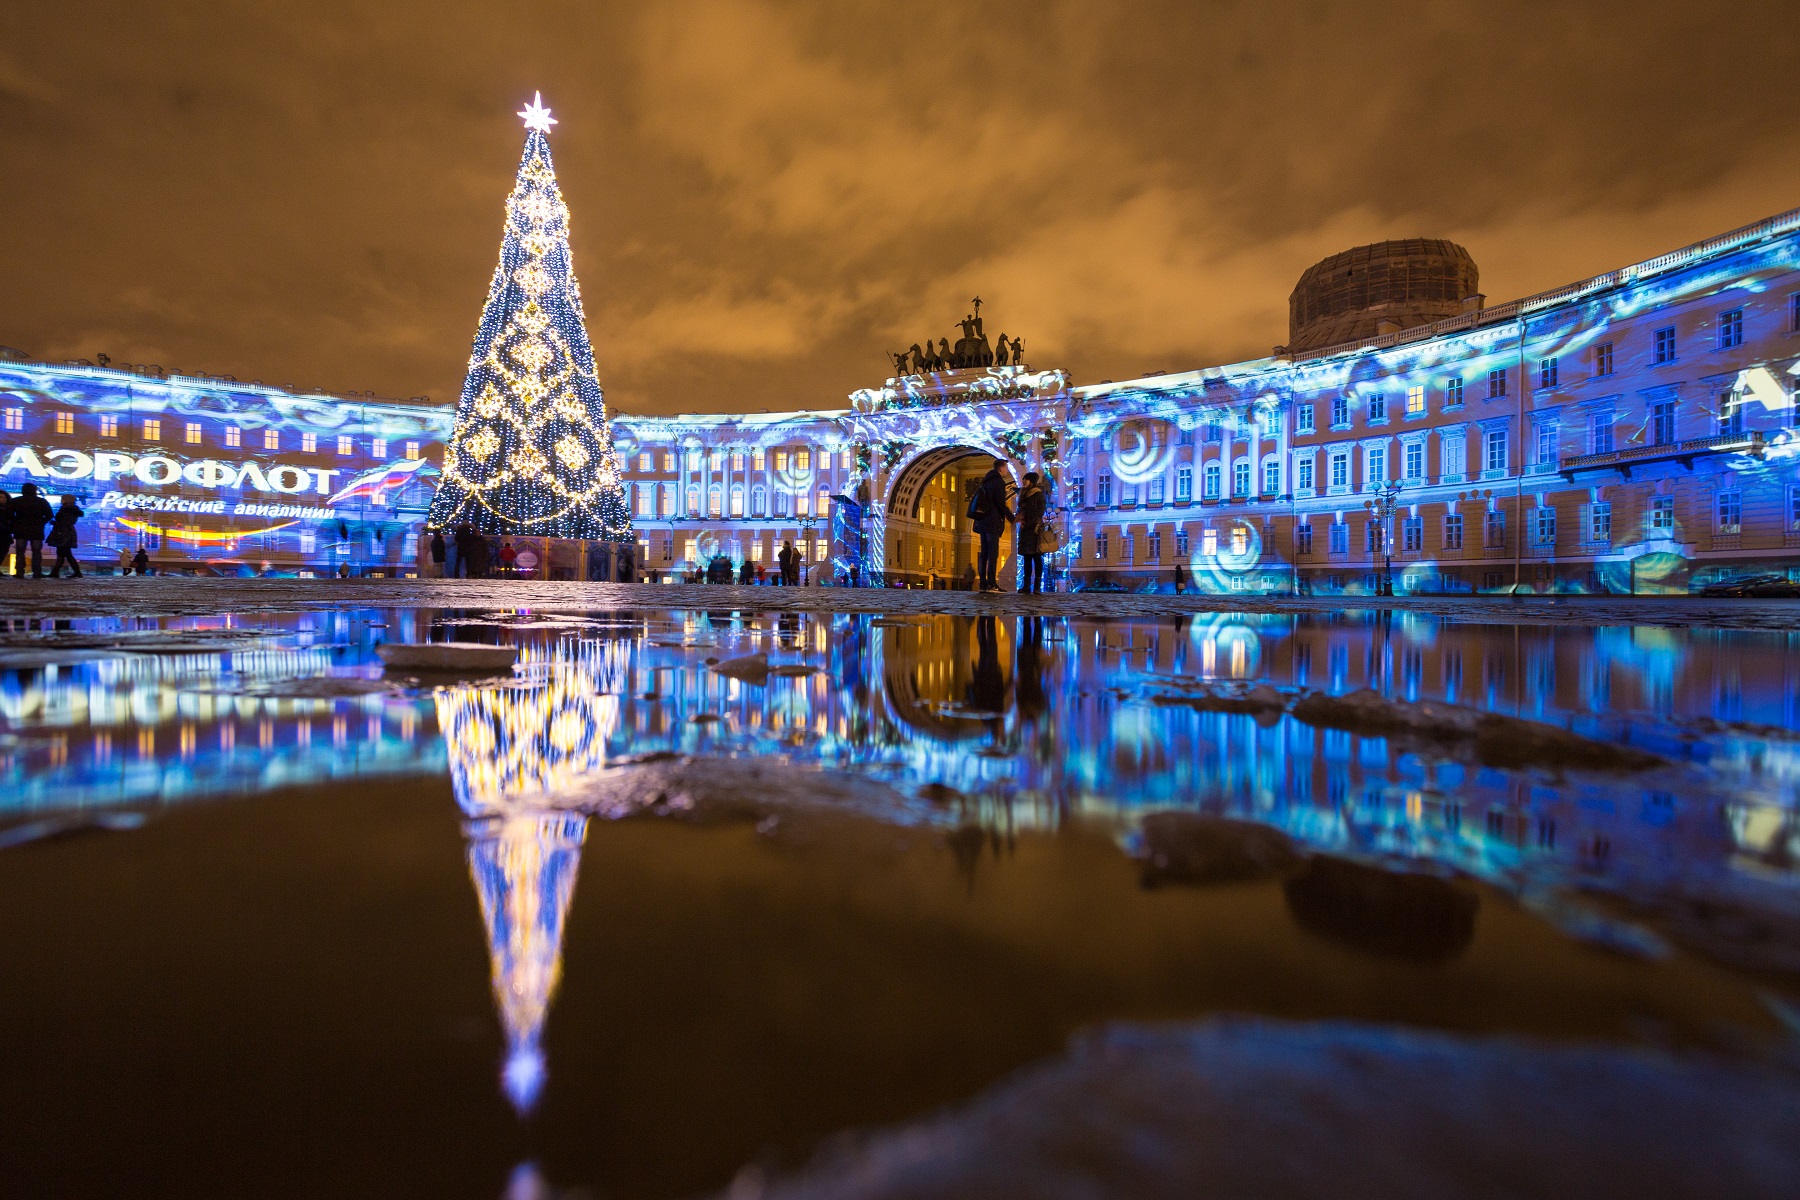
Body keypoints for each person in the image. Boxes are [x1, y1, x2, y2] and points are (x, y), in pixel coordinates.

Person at [971, 458, 1014, 592]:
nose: (1007, 470)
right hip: (992, 522)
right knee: (993, 553)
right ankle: (991, 584)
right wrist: (1011, 517)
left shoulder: (986, 481)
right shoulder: (998, 482)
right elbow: (1001, 503)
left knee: (984, 553)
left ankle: (983, 583)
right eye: (1006, 468)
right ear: (1001, 468)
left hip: (982, 521)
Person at [9, 482, 54, 579]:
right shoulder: (42, 501)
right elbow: (49, 515)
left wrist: (14, 524)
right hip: (36, 529)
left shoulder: (16, 501)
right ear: (35, 490)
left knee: (20, 551)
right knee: (36, 551)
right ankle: (37, 572)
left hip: (20, 529)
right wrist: (41, 522)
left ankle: (20, 572)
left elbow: (10, 515)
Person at [1016, 471, 1048, 594]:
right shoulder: (1023, 494)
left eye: (1026, 479)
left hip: (1034, 529)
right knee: (1027, 558)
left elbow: (1040, 511)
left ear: (1032, 482)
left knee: (1036, 557)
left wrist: (1030, 522)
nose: (1024, 481)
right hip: (1025, 529)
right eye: (1024, 479)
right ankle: (1026, 585)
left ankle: (1037, 586)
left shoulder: (1037, 494)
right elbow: (1020, 510)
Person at [46, 494, 84, 578]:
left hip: (63, 533)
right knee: (63, 553)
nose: (61, 500)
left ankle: (75, 572)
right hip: (67, 532)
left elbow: (64, 522)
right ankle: (57, 572)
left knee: (64, 553)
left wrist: (54, 522)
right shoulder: (72, 510)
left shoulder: (66, 510)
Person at [0, 489, 12, 578]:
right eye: (1, 497)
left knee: (4, 550)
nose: (3, 499)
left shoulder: (8, 508)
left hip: (5, 533)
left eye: (4, 497)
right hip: (3, 531)